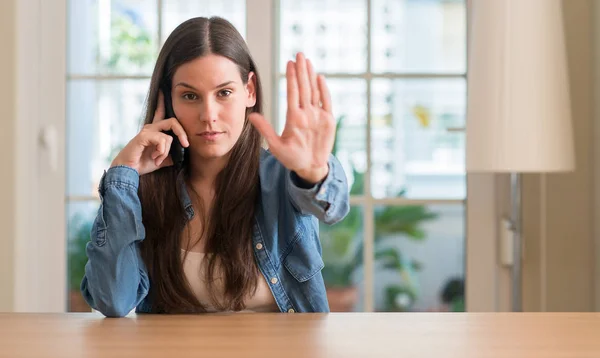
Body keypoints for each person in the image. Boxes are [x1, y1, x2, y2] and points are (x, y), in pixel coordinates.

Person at [80, 16, 350, 317]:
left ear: (249, 91)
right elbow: (112, 301)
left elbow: (333, 207)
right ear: (169, 99)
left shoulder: (284, 176)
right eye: (190, 96)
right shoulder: (142, 189)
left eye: (224, 93)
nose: (209, 115)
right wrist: (122, 172)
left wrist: (313, 173)